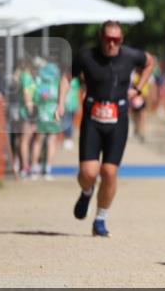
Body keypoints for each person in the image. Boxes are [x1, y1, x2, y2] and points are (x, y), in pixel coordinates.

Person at [59, 21, 154, 237]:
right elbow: (66, 76)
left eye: (116, 40)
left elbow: (150, 62)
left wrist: (138, 88)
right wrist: (61, 103)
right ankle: (86, 191)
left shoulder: (130, 56)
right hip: (92, 119)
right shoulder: (86, 57)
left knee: (109, 172)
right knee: (88, 172)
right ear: (101, 38)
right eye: (108, 39)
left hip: (118, 119)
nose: (112, 44)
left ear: (121, 40)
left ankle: (100, 219)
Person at [30, 60, 62, 180]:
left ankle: (34, 168)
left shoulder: (41, 85)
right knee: (51, 142)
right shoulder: (57, 85)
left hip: (42, 116)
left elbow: (35, 100)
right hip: (54, 117)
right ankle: (48, 169)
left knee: (38, 142)